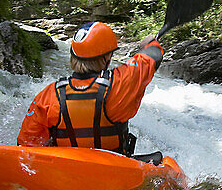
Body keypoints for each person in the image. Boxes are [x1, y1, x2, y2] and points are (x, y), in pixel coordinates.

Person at [17, 22, 163, 156]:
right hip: (113, 171)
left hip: (65, 172)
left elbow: (26, 145)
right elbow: (152, 57)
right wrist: (150, 43)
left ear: (73, 57)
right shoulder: (121, 84)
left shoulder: (48, 95)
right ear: (107, 58)